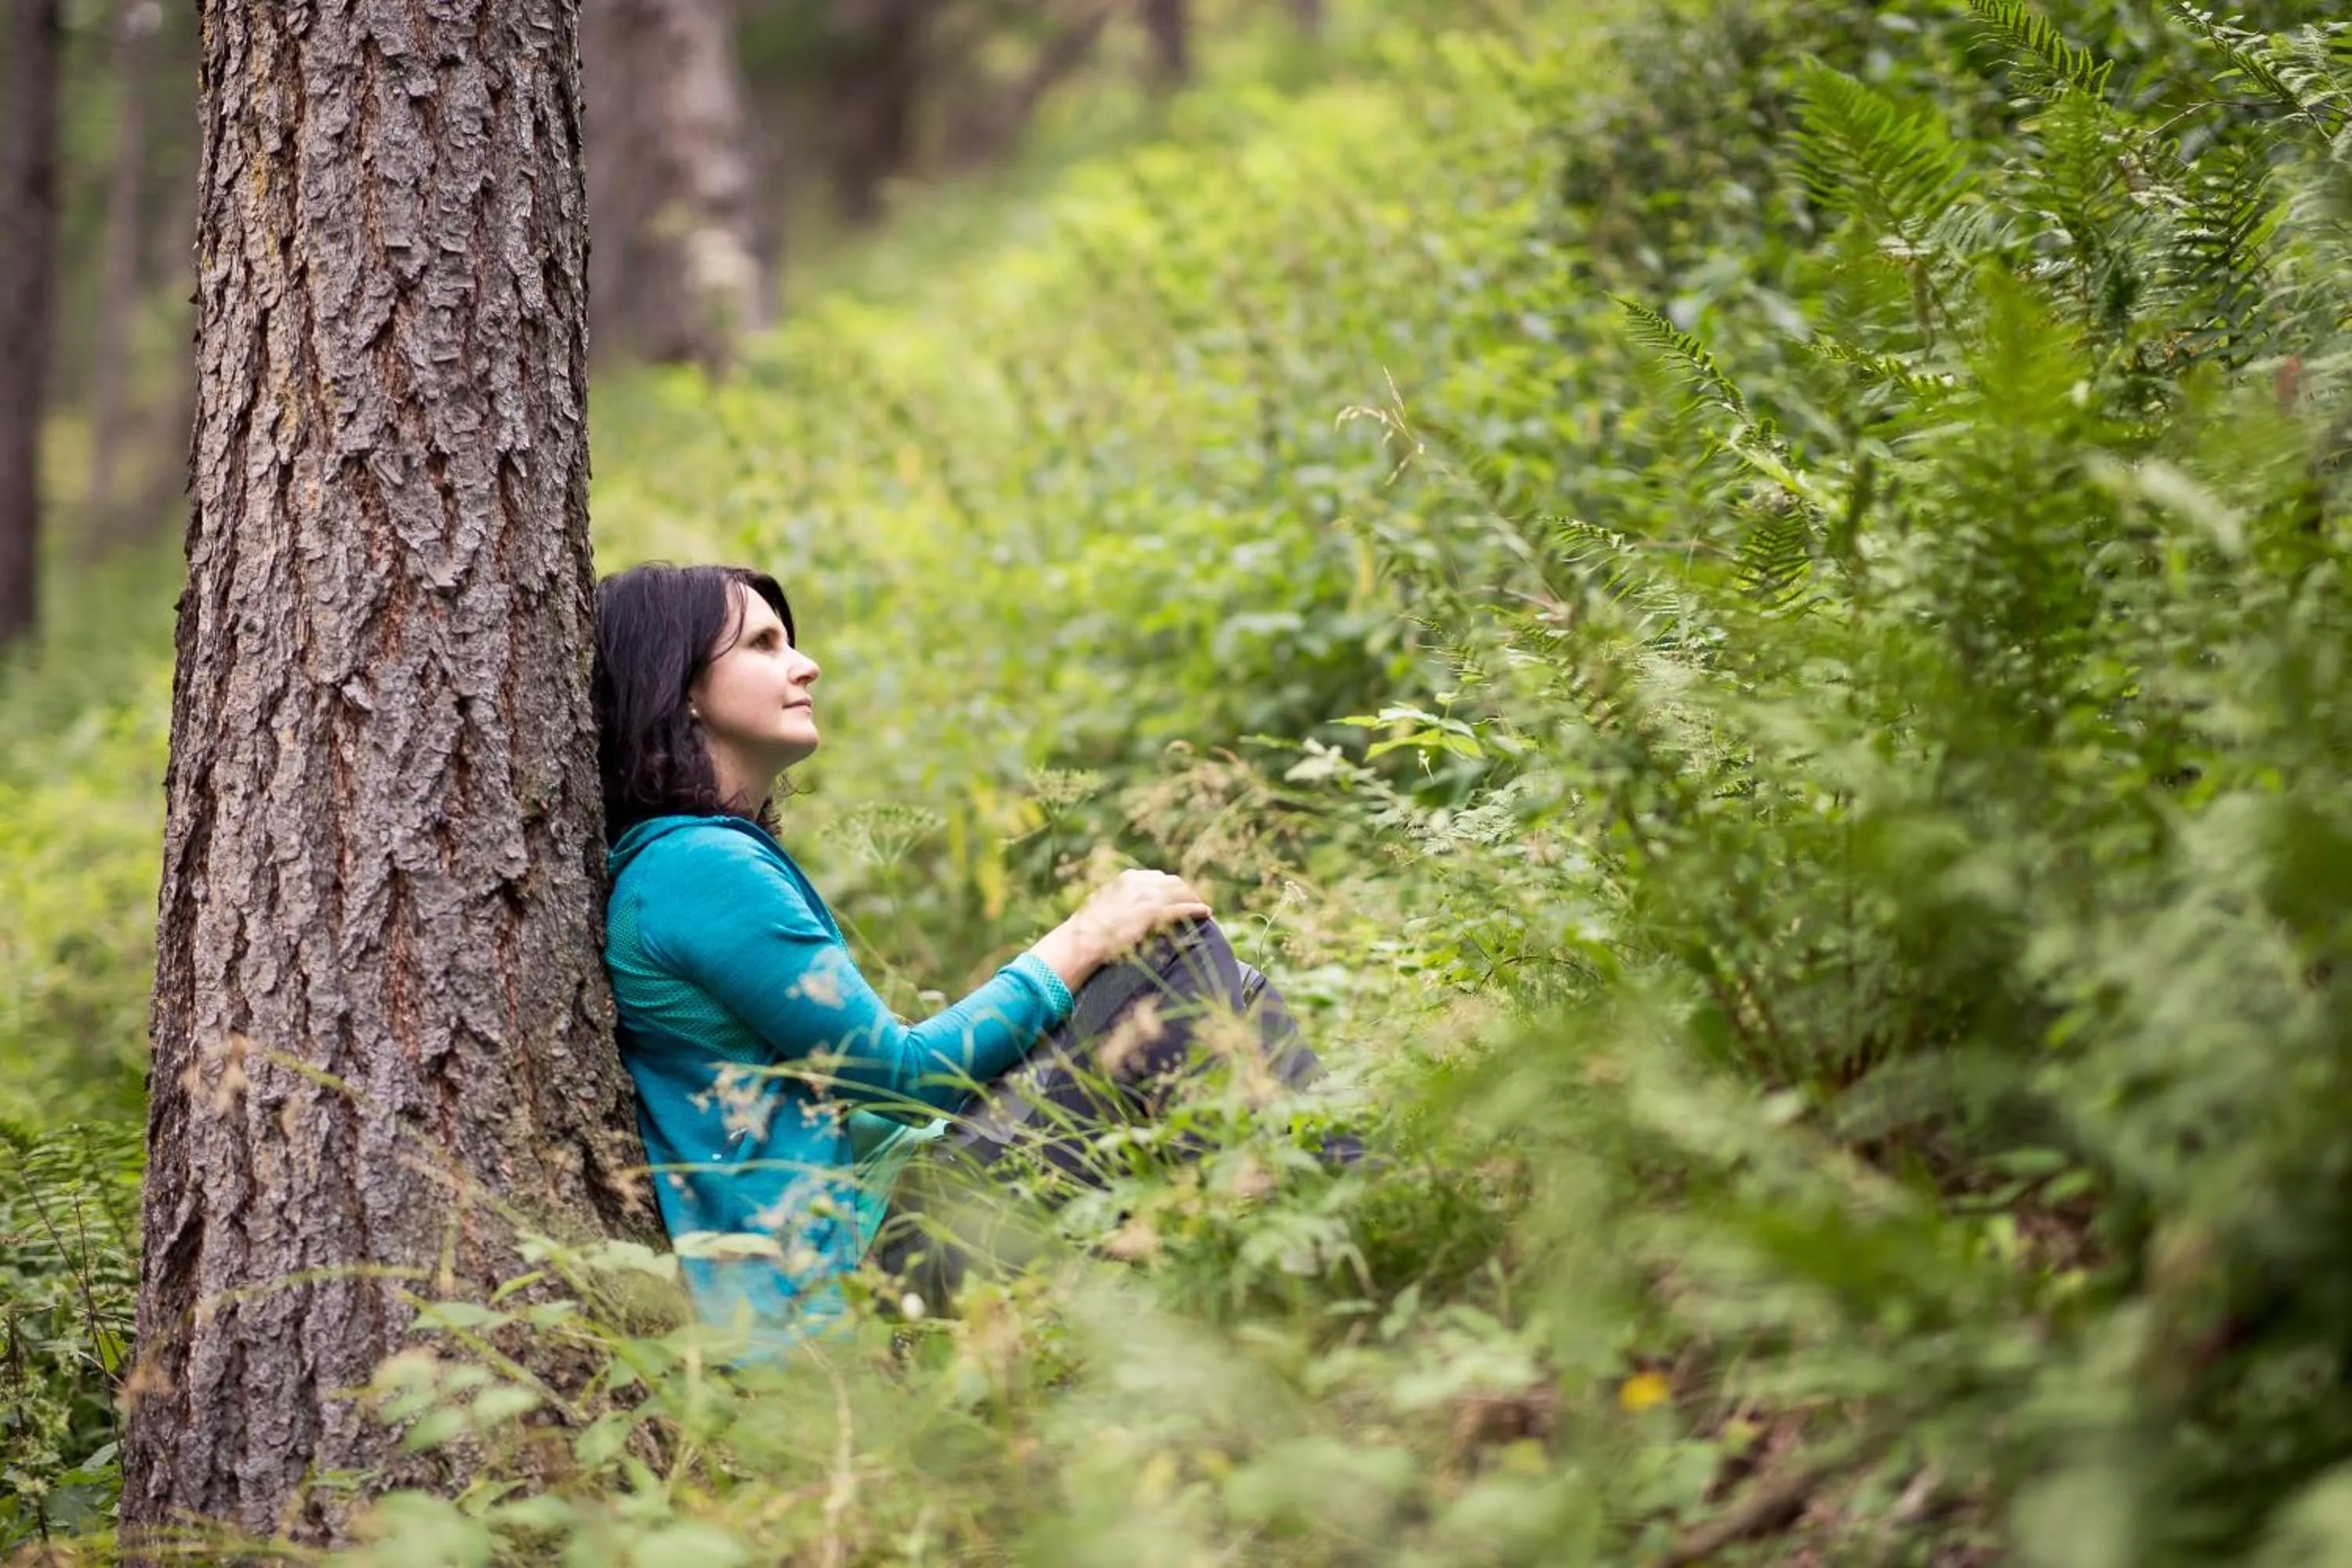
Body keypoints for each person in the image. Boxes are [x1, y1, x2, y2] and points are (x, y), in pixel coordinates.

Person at [591, 562, 1324, 1343]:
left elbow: (854, 1095)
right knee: (1171, 949)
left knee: (1228, 989)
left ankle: (1306, 1237)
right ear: (684, 686)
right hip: (859, 1281)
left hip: (875, 1242)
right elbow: (906, 1078)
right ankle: (1294, 1259)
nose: (806, 664)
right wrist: (1083, 937)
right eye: (765, 643)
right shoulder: (698, 868)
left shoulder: (686, 861)